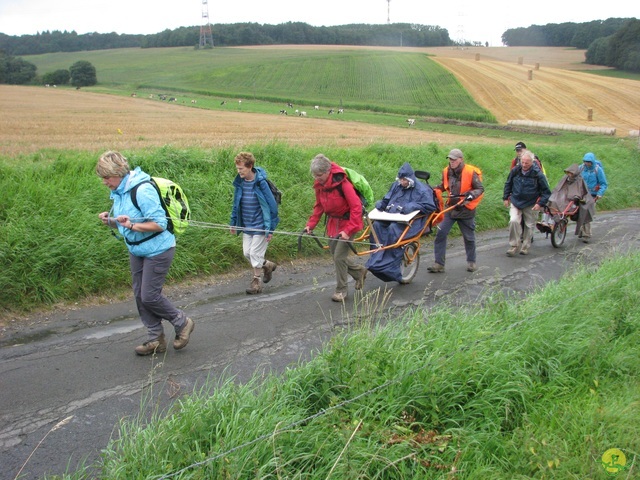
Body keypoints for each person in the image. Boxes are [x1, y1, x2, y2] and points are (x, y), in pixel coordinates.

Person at [96, 151, 194, 356]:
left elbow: (159, 224)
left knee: (149, 296)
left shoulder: (142, 190)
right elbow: (127, 222)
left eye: (106, 177)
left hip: (159, 249)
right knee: (140, 296)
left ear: (118, 173)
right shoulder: (119, 191)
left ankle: (182, 322)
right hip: (137, 249)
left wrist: (131, 225)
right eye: (102, 178)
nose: (104, 182)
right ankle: (155, 339)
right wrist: (111, 221)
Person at [304, 154, 367, 302]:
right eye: (315, 175)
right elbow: (319, 206)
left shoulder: (343, 184)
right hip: (333, 223)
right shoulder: (320, 185)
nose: (317, 178)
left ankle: (341, 290)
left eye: (319, 175)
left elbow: (356, 207)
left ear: (327, 171)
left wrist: (348, 230)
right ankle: (359, 272)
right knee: (336, 256)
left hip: (349, 222)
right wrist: (311, 224)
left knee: (339, 256)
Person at [365, 162, 436, 283]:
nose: (402, 183)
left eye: (404, 180)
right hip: (393, 216)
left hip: (413, 222)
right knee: (376, 225)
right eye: (400, 180)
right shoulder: (396, 186)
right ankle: (377, 258)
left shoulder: (422, 190)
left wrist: (412, 206)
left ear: (410, 179)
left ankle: (389, 266)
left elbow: (430, 206)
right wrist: (382, 204)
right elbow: (387, 198)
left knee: (393, 229)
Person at [427, 148, 484, 273]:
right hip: (450, 209)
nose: (451, 161)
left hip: (466, 210)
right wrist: (431, 189)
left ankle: (471, 262)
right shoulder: (447, 171)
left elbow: (480, 189)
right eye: (450, 159)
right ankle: (439, 264)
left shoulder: (470, 172)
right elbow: (443, 186)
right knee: (440, 234)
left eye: (454, 159)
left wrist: (470, 195)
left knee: (468, 237)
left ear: (461, 160)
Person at [230, 152, 280, 294]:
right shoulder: (240, 183)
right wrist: (233, 222)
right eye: (237, 168)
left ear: (250, 166)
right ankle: (267, 265)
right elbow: (236, 204)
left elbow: (272, 207)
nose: (238, 171)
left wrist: (270, 230)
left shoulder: (261, 183)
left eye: (241, 169)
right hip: (247, 225)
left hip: (260, 225)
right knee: (247, 253)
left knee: (254, 253)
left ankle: (256, 282)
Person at [503, 150, 551, 256]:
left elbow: (546, 192)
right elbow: (508, 183)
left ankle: (525, 247)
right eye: (522, 162)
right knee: (513, 221)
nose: (524, 165)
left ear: (532, 162)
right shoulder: (515, 170)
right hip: (516, 201)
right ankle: (514, 245)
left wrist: (540, 204)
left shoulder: (538, 174)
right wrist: (505, 198)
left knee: (529, 226)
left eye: (527, 163)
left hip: (531, 203)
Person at [538, 163, 595, 240]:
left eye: (571, 173)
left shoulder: (579, 181)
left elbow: (582, 192)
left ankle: (586, 234)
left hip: (576, 201)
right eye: (568, 173)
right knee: (550, 203)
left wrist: (577, 197)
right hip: (563, 198)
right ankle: (545, 222)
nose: (569, 174)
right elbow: (558, 189)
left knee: (584, 217)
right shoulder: (565, 178)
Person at [579, 152, 608, 242]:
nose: (587, 163)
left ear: (592, 161)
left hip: (592, 195)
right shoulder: (581, 168)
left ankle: (586, 234)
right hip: (581, 193)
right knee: (579, 212)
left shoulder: (598, 170)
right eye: (585, 161)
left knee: (587, 213)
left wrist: (600, 193)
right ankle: (581, 230)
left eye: (588, 162)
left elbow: (603, 184)